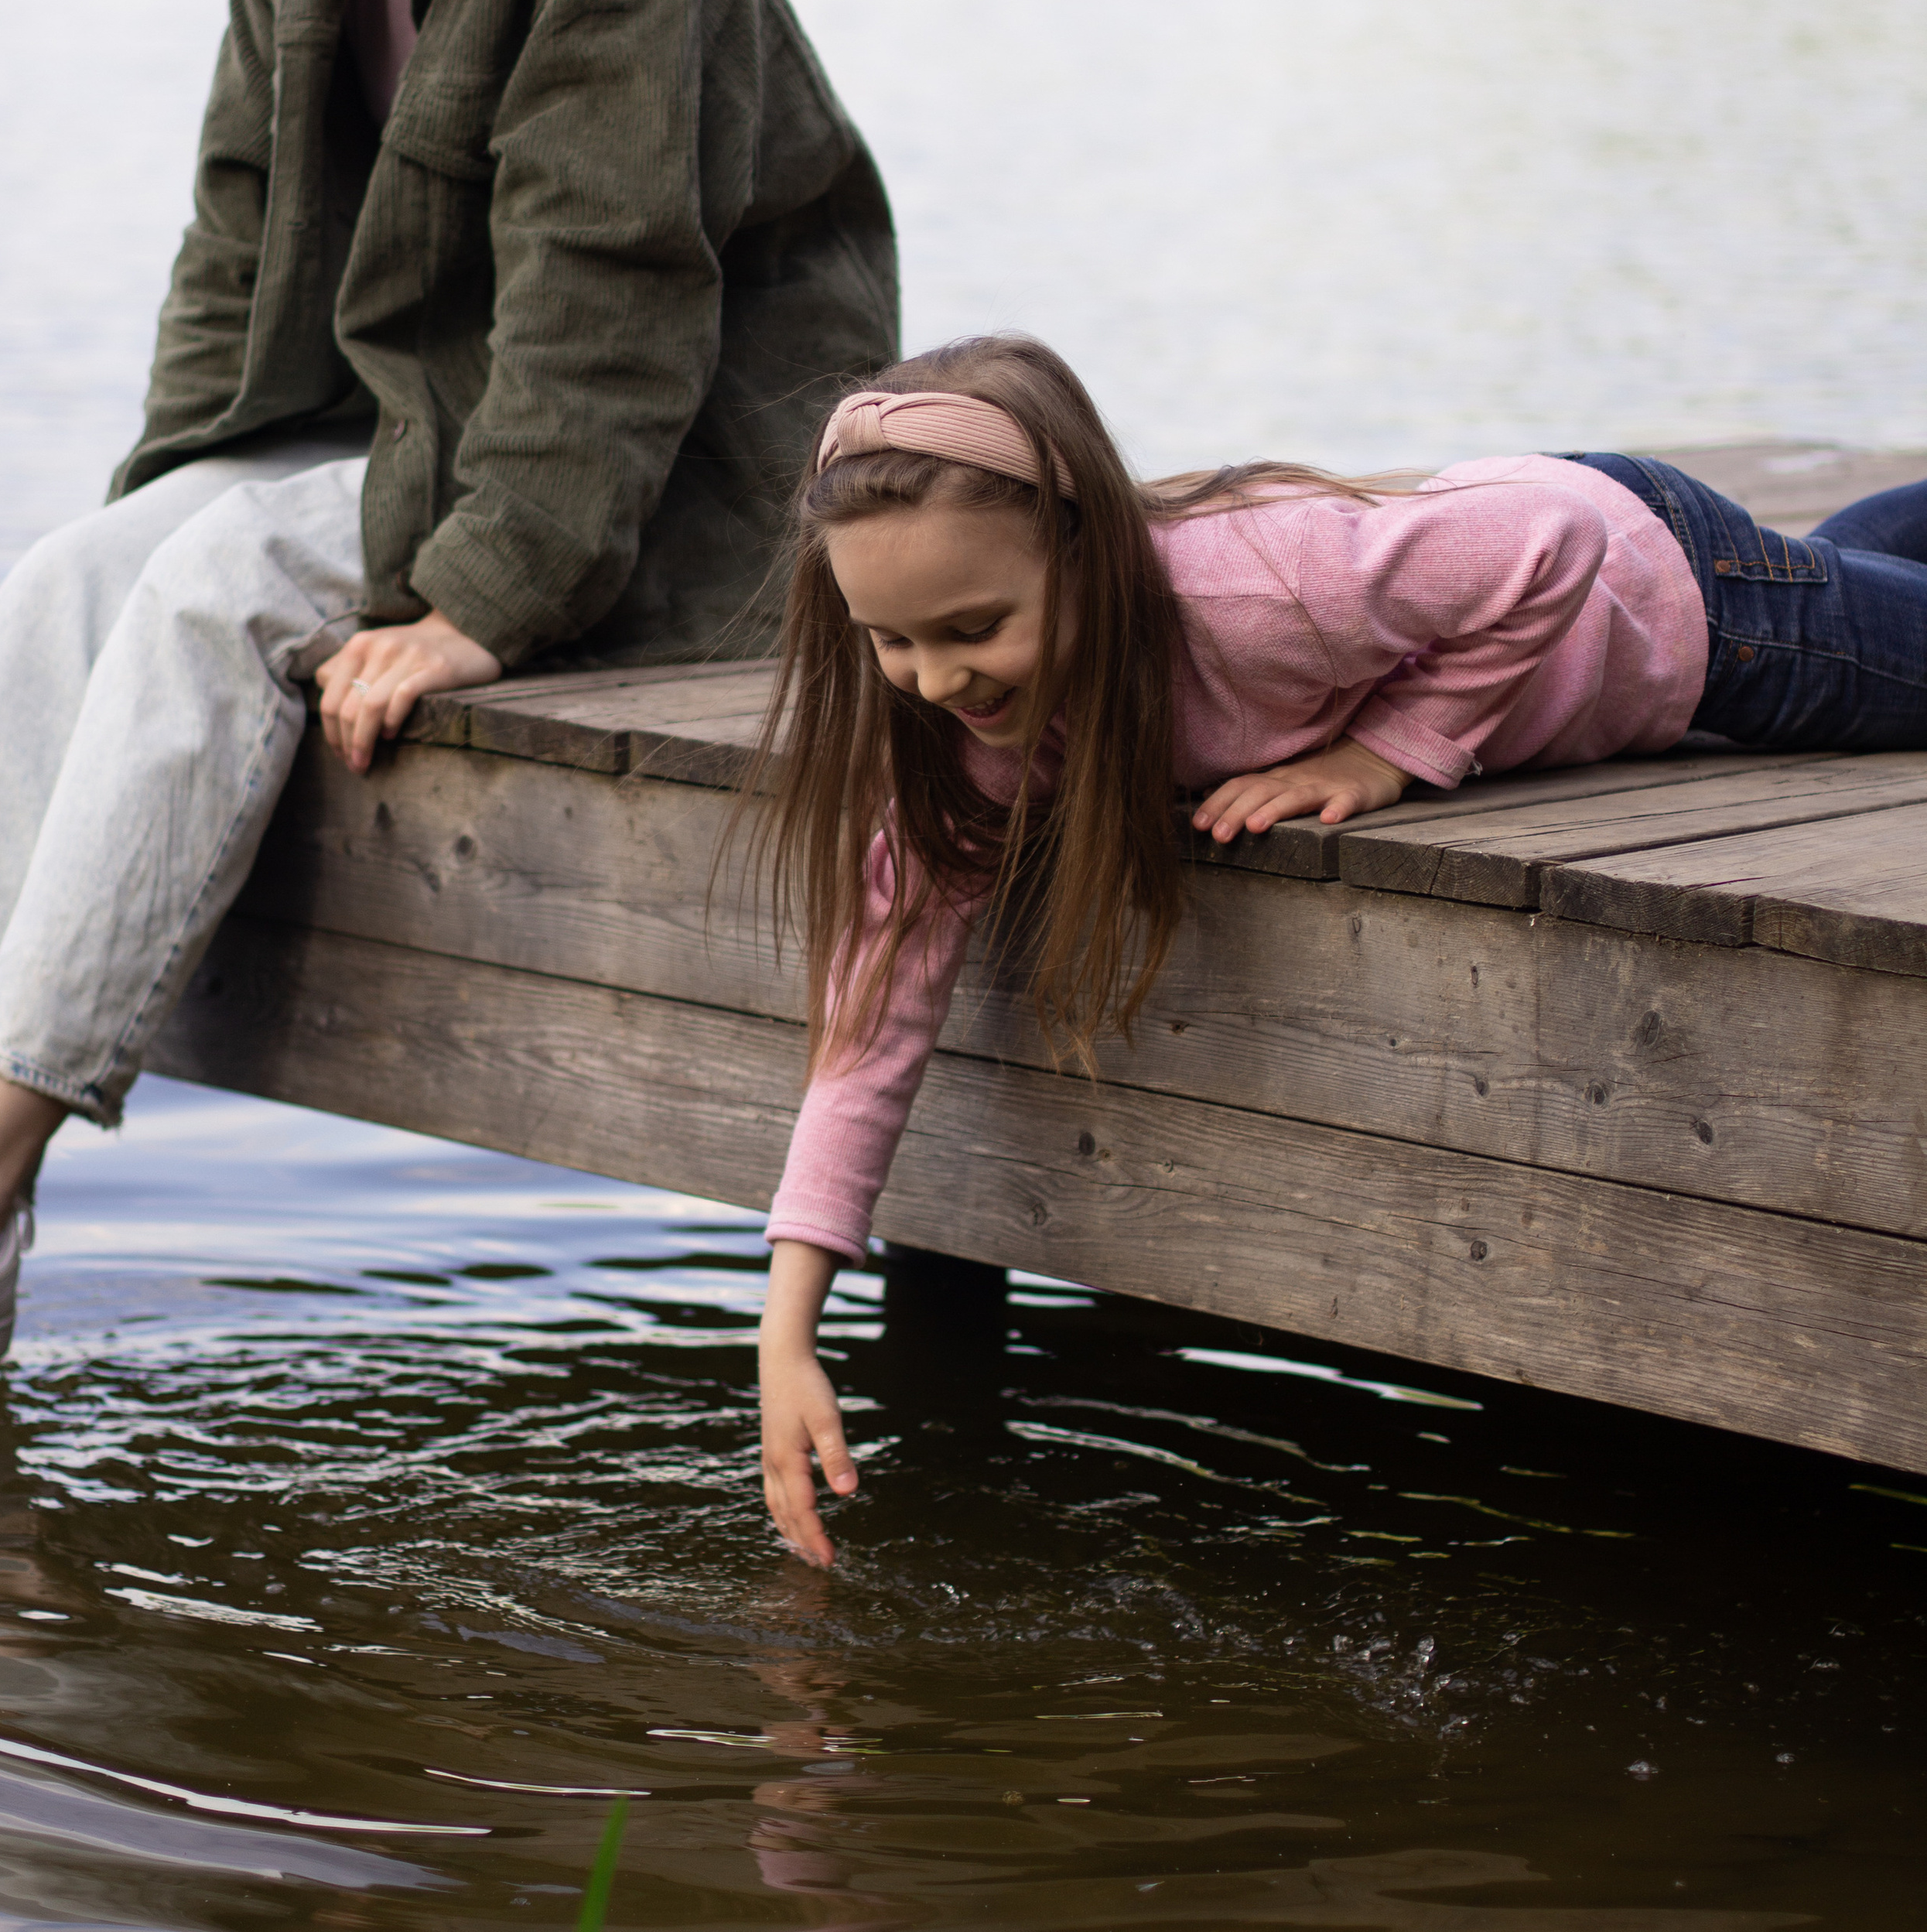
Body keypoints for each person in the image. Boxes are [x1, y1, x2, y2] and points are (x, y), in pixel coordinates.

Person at [0, 0, 897, 1370]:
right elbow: (235, 239)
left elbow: (613, 287)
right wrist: (139, 510)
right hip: (433, 400)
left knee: (221, 595)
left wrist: (488, 603)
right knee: (85, 577)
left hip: (678, 440)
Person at [751, 333, 1927, 1562]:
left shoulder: (1249, 589)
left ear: (1086, 549)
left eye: (973, 628)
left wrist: (1386, 754)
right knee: (1846, 573)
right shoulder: (969, 748)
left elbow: (1552, 548)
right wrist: (787, 1334)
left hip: (1683, 613)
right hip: (1627, 567)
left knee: (1823, 604)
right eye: (892, 642)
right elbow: (869, 1025)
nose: (936, 681)